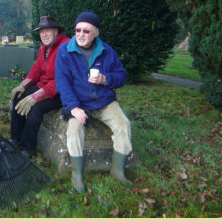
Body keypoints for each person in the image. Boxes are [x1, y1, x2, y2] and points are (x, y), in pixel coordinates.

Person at [55, 11, 133, 193]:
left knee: (124, 124)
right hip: (79, 103)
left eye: (86, 31)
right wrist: (73, 107)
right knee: (74, 131)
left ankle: (118, 171)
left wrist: (106, 79)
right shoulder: (65, 51)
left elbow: (122, 76)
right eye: (78, 30)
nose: (81, 34)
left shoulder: (107, 51)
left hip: (105, 102)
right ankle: (77, 175)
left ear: (96, 32)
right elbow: (62, 82)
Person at [10, 16, 70, 158]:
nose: (44, 35)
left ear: (56, 31)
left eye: (47, 31)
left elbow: (63, 79)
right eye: (41, 32)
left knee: (35, 108)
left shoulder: (66, 47)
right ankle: (16, 138)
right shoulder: (44, 48)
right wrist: (23, 85)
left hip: (60, 92)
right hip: (44, 86)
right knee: (19, 97)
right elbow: (36, 70)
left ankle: (28, 147)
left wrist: (36, 96)